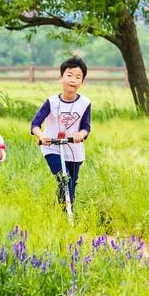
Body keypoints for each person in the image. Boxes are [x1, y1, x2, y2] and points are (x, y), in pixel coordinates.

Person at [30, 56, 91, 208]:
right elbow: (35, 124)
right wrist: (42, 135)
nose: (73, 80)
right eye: (69, 75)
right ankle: (66, 214)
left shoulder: (85, 103)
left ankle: (61, 211)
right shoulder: (51, 102)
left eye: (78, 77)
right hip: (52, 147)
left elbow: (86, 127)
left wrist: (80, 135)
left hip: (74, 150)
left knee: (71, 185)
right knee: (64, 179)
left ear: (82, 82)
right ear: (61, 77)